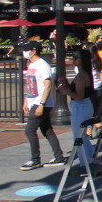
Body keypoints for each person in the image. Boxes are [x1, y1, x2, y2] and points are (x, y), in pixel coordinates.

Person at [19, 41, 65, 170]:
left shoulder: (42, 65)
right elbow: (30, 84)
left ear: (33, 51)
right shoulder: (31, 65)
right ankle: (58, 156)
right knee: (46, 130)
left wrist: (41, 104)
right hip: (34, 101)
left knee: (29, 130)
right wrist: (26, 100)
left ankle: (35, 159)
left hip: (41, 103)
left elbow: (48, 85)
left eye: (26, 50)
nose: (24, 52)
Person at [57, 48, 95, 165]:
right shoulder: (83, 74)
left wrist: (66, 91)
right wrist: (67, 85)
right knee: (81, 136)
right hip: (84, 107)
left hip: (80, 107)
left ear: (83, 60)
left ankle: (85, 163)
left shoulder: (82, 76)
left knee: (78, 137)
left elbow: (79, 97)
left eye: (76, 57)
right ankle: (89, 158)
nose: (73, 59)